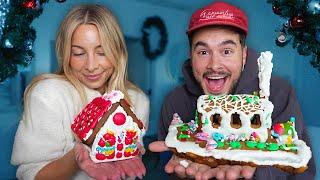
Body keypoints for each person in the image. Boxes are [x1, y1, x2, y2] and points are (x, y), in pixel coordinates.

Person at [149, 1, 316, 179]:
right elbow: (169, 166)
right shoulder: (174, 102)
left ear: (243, 55)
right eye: (203, 52)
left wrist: (254, 174)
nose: (214, 65)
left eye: (227, 51)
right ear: (191, 56)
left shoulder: (279, 93)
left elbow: (302, 172)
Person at [11, 4, 149, 180]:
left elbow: (129, 168)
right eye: (78, 53)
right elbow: (31, 174)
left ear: (118, 52)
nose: (91, 66)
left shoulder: (138, 101)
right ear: (66, 55)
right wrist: (75, 158)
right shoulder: (49, 94)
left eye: (102, 52)